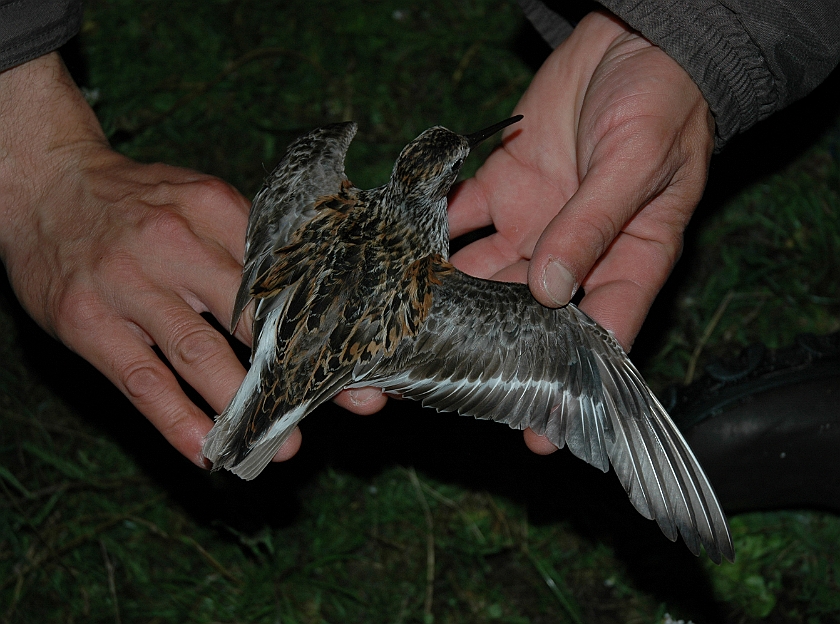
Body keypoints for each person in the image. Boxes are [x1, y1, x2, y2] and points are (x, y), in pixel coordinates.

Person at [1, 1, 838, 469]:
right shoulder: (421, 253)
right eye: (454, 166)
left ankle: (253, 412)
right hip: (307, 354)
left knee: (318, 147)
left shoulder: (320, 173)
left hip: (284, 337)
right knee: (569, 334)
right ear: (435, 185)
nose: (463, 162)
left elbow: (309, 164)